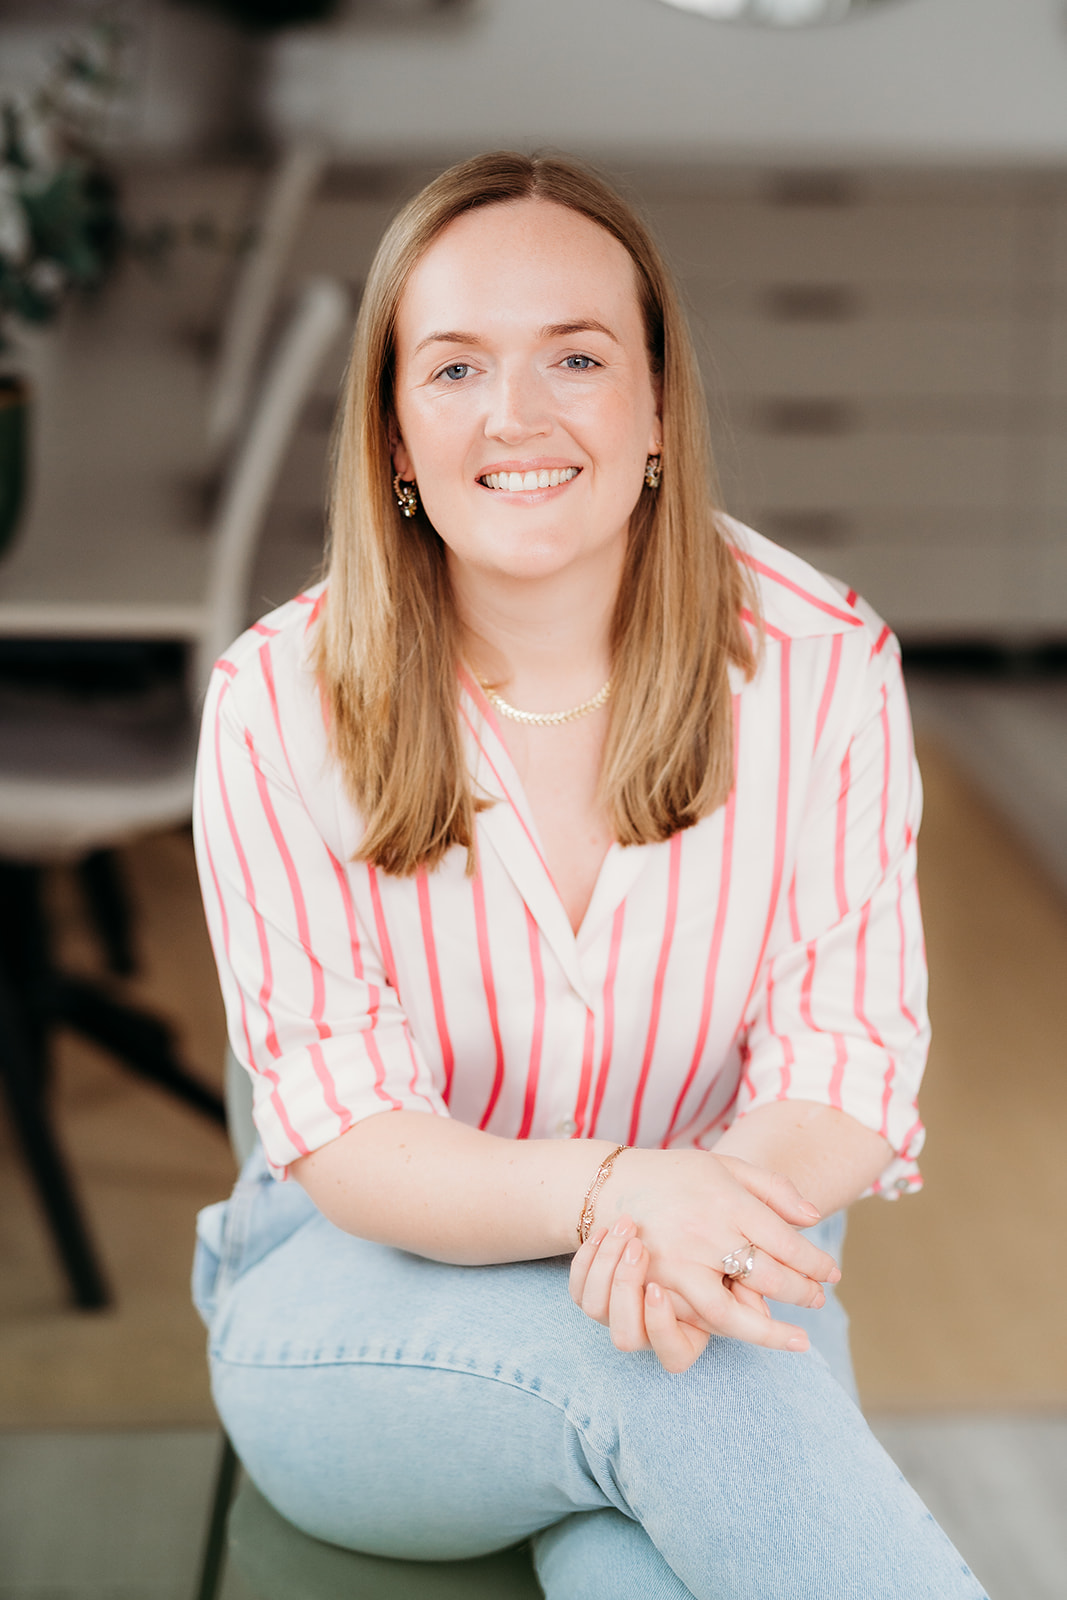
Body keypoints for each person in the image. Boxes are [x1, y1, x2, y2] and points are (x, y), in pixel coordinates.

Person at [192, 151, 988, 1599]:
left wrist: (686, 1231)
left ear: (659, 404)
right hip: (363, 1316)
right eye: (454, 368)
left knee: (644, 1537)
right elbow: (349, 1132)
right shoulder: (276, 703)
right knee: (676, 1384)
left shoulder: (822, 666)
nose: (517, 414)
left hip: (722, 1272)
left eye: (576, 355)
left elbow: (846, 1063)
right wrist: (625, 1198)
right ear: (392, 434)